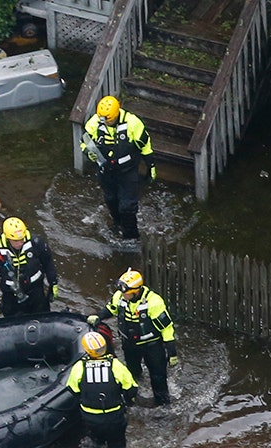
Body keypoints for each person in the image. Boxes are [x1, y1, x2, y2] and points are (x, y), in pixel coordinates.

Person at [88, 268, 178, 406]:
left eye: (127, 293)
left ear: (136, 291)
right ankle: (134, 395)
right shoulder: (120, 296)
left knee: (158, 377)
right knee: (132, 371)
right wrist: (99, 316)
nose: (123, 295)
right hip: (130, 344)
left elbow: (166, 328)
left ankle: (163, 405)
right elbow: (111, 308)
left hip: (152, 346)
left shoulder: (154, 302)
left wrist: (171, 352)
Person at [79, 95, 156, 240]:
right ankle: (117, 225)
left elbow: (145, 145)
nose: (107, 123)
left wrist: (150, 165)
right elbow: (84, 141)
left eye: (110, 120)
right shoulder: (94, 123)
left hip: (127, 171)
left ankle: (132, 237)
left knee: (127, 207)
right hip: (106, 170)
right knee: (111, 200)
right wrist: (89, 152)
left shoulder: (132, 123)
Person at [67, 330, 139, 448]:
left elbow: (73, 390)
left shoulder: (79, 367)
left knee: (95, 441)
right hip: (114, 416)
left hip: (90, 417)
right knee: (117, 444)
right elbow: (131, 388)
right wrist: (129, 403)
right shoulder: (115, 366)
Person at [0, 217, 59, 318]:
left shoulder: (36, 243)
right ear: (8, 238)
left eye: (22, 239)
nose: (20, 243)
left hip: (36, 291)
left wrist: (53, 283)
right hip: (11, 296)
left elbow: (48, 263)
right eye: (16, 241)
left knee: (43, 317)